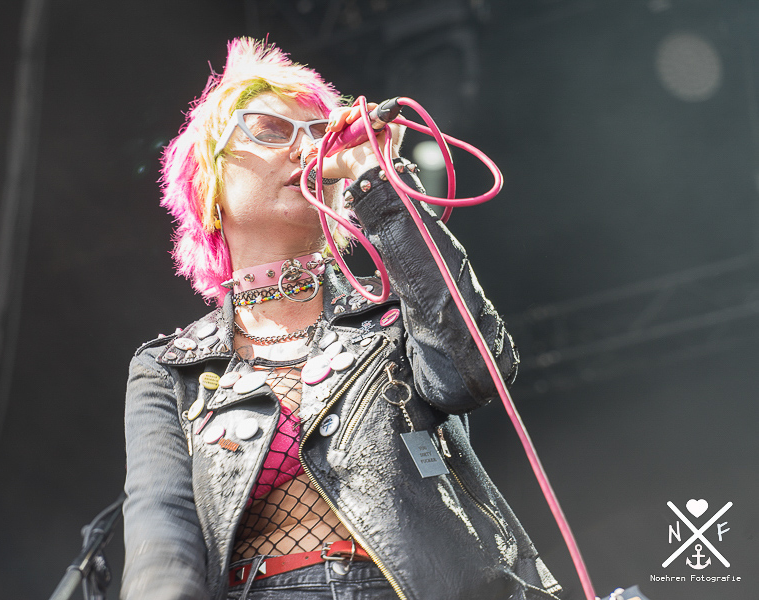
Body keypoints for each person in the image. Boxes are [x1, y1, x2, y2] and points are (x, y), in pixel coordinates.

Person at [121, 38, 562, 600]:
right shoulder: (170, 368)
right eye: (269, 129)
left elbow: (471, 371)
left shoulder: (396, 312)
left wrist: (377, 180)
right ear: (208, 186)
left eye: (317, 133)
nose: (303, 149)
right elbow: (163, 537)